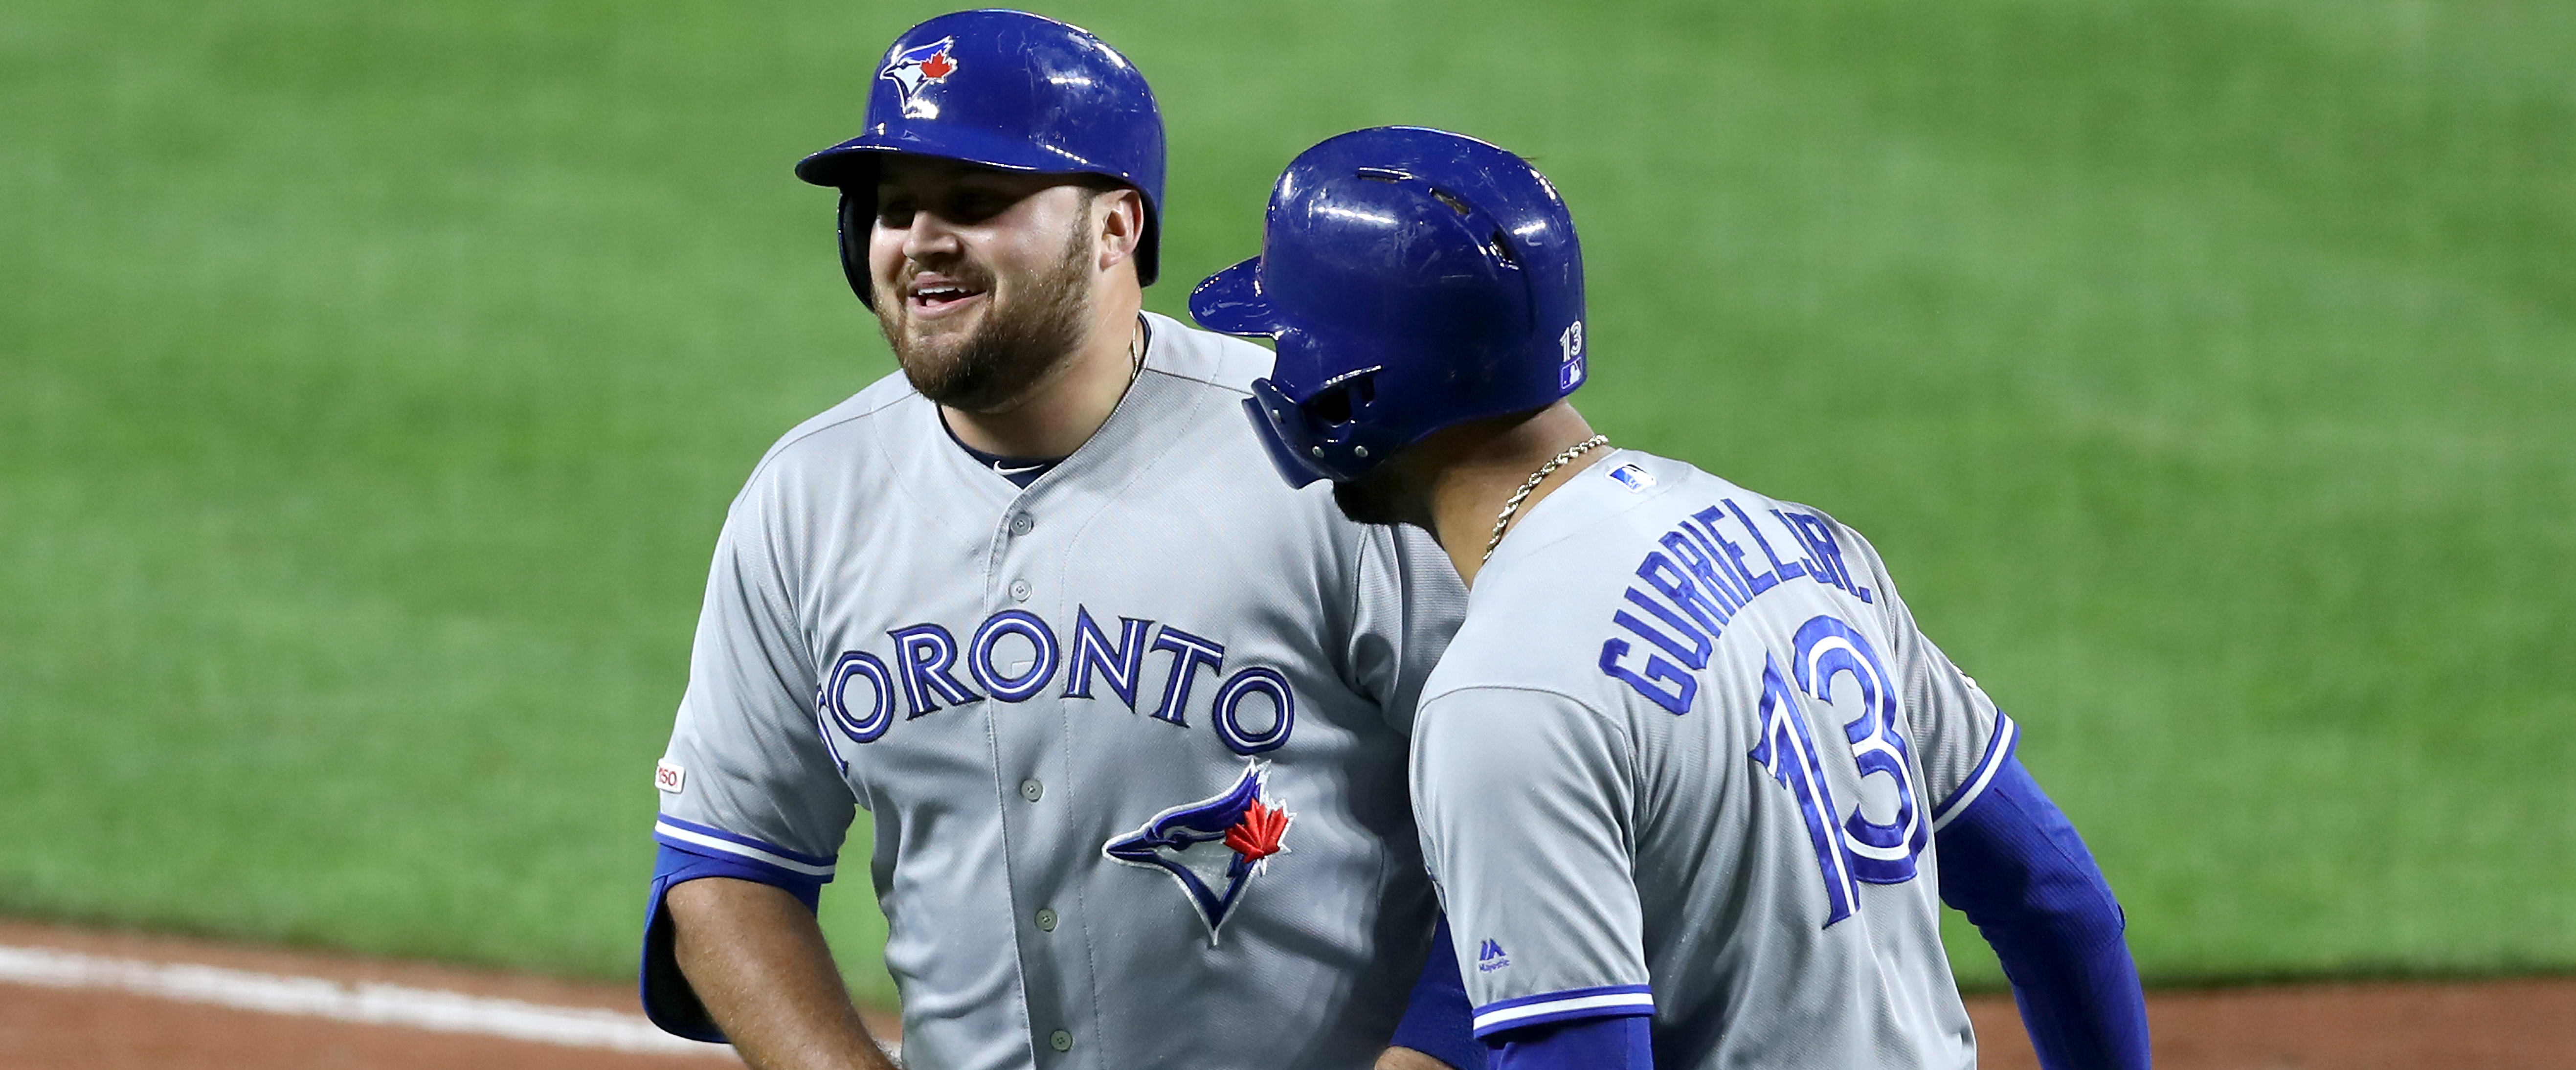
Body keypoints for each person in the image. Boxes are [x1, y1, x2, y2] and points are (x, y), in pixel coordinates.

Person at [1190, 126, 2153, 1070]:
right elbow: (2056, 896)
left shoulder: (1506, 695)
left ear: (1354, 389)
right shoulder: (1805, 542)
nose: (1277, 370)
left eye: (1284, 340)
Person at [637, 15, 1484, 1070]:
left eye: (978, 202)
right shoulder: (807, 499)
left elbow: (1536, 834)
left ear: (1117, 228)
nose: (921, 239)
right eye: (893, 208)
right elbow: (727, 867)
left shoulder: (1324, 468)